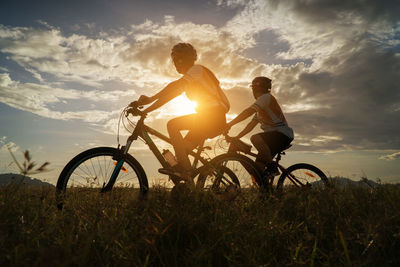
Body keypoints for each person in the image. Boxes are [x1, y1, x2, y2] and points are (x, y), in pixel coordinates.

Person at [135, 43, 230, 184]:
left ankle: (184, 173)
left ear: (184, 59)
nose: (175, 64)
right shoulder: (190, 78)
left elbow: (174, 86)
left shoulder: (197, 70)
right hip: (205, 119)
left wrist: (150, 99)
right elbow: (169, 95)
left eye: (177, 60)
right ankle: (189, 185)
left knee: (172, 125)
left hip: (212, 116)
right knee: (182, 150)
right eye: (174, 60)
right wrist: (146, 110)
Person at [225, 76, 294, 184]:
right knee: (257, 172)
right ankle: (268, 194)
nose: (253, 91)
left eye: (253, 89)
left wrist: (229, 124)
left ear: (256, 89)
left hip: (281, 135)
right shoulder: (261, 108)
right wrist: (237, 137)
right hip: (273, 139)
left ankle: (272, 167)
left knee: (255, 138)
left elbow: (247, 112)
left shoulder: (265, 98)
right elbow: (250, 126)